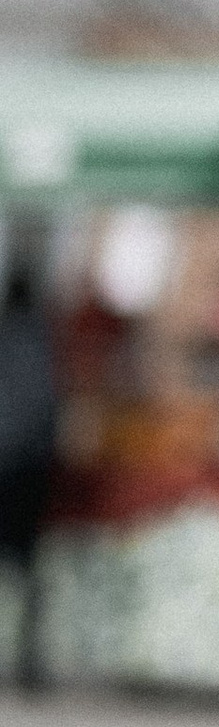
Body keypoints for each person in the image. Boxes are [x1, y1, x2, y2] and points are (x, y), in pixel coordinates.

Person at [0, 257, 58, 690]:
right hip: (27, 470)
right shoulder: (40, 342)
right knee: (27, 570)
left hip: (15, 467)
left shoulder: (19, 338)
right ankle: (28, 660)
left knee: (24, 571)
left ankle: (27, 659)